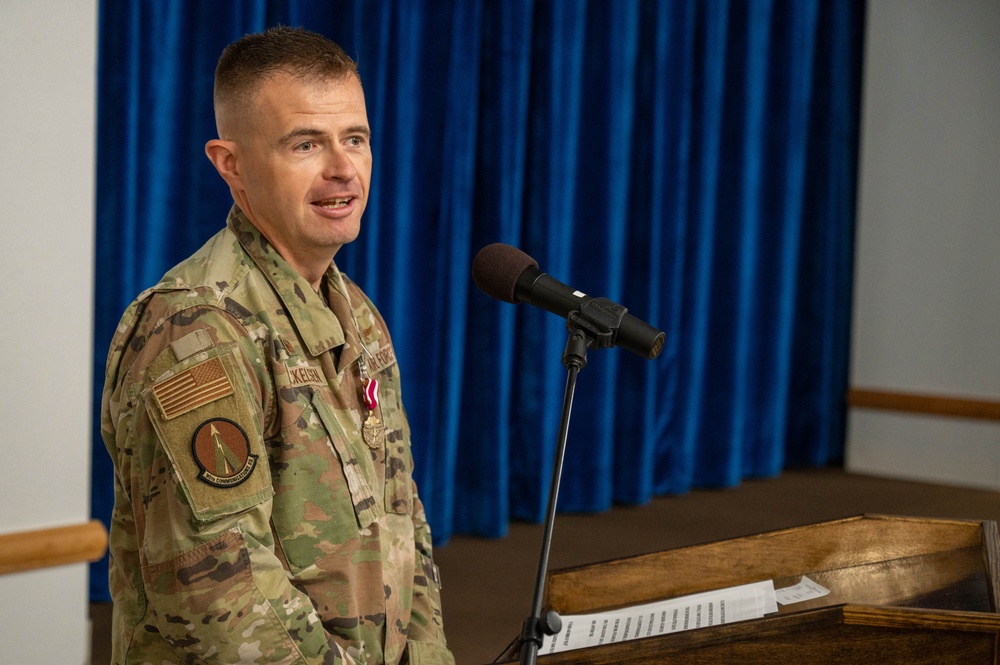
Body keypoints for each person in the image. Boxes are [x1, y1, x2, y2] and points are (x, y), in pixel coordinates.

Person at [101, 26, 454, 665]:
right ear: (230, 163)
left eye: (355, 139)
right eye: (305, 144)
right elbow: (218, 597)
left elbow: (407, 527)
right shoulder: (196, 331)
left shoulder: (358, 316)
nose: (343, 168)